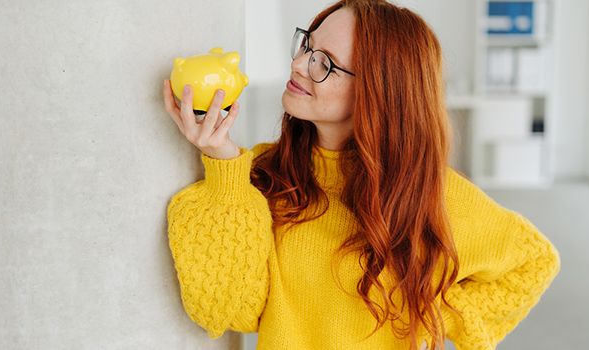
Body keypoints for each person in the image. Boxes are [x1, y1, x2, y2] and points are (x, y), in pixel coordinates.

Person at [162, 1, 561, 349]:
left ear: (378, 90)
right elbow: (228, 310)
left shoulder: (430, 194)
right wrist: (223, 163)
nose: (299, 65)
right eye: (307, 45)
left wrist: (434, 315)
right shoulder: (262, 176)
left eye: (325, 63)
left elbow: (533, 263)